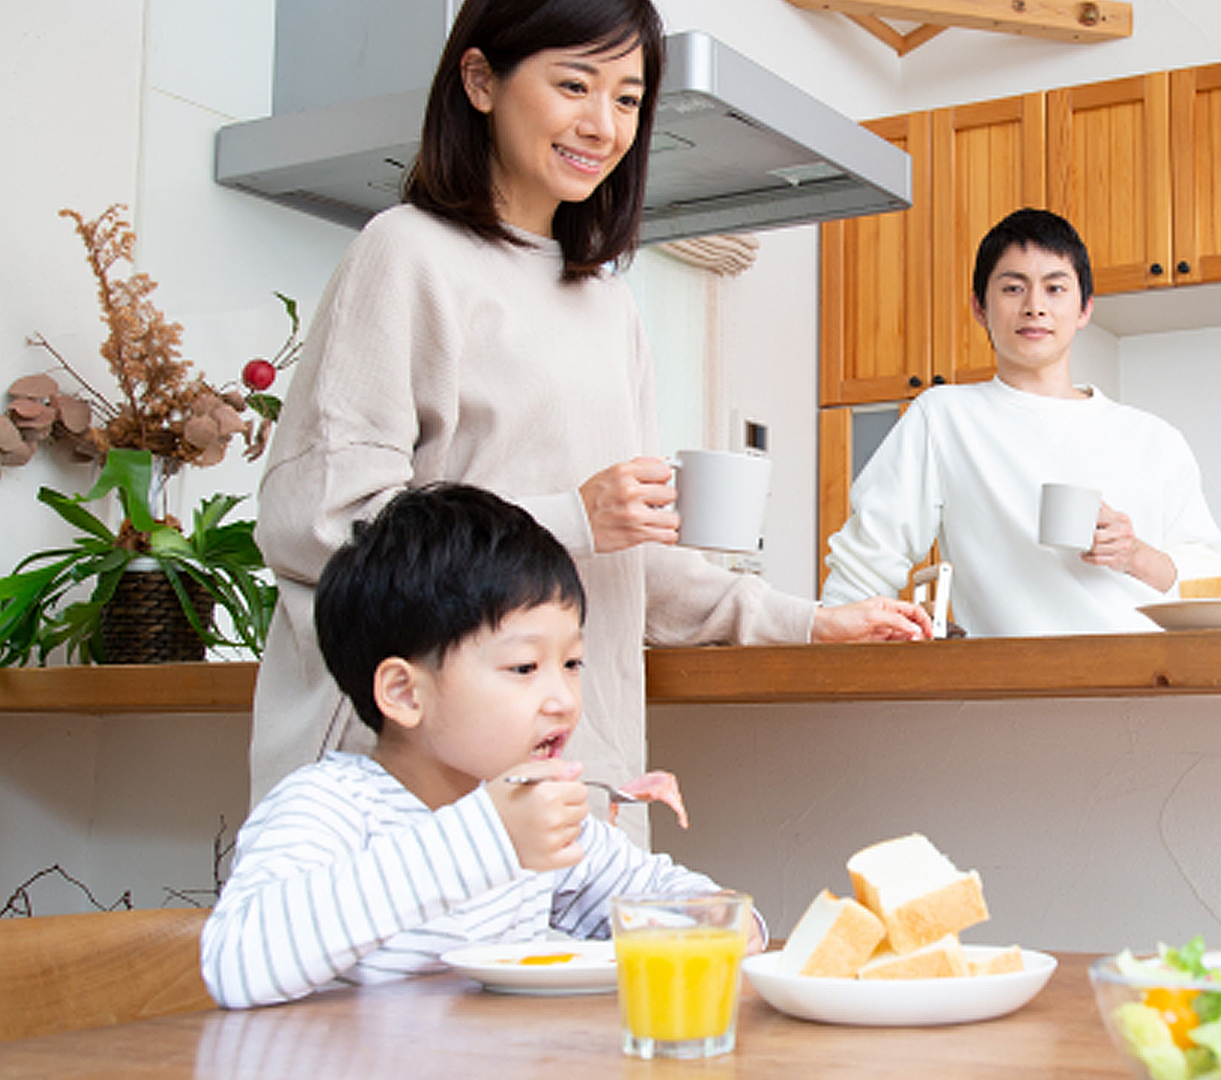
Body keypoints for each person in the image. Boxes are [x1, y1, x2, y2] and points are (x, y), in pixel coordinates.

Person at [251, 0, 929, 836]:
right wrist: (575, 515)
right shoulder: (407, 253)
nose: (602, 125)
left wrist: (809, 621)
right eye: (574, 84)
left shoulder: (609, 304)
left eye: (628, 98)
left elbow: (624, 563)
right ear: (479, 80)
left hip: (572, 775)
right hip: (414, 780)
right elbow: (322, 524)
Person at [203, 484, 756, 1008]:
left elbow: (666, 895)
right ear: (403, 692)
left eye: (571, 664)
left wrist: (732, 924)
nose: (562, 698)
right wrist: (489, 837)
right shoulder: (332, 805)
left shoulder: (537, 821)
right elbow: (238, 965)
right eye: (524, 667)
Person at [820, 208, 1221, 635]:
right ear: (980, 308)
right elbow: (866, 562)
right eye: (1014, 288)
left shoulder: (1153, 439)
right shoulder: (944, 417)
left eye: (1055, 288)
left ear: (1085, 308)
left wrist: (1134, 554)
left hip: (1149, 681)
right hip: (1012, 686)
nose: (1035, 307)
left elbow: (1209, 587)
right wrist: (829, 641)